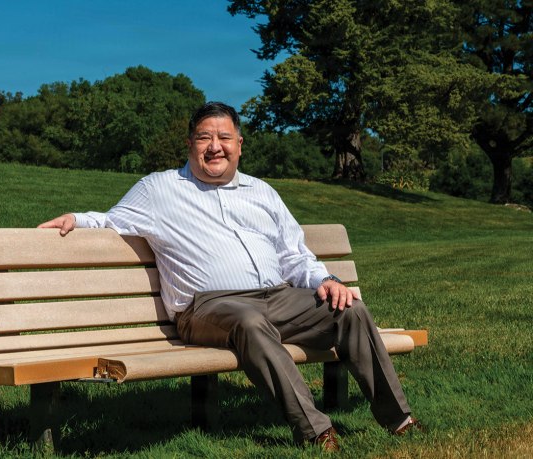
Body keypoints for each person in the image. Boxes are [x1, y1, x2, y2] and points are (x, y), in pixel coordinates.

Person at [38, 101, 421, 452]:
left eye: (224, 137)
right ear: (190, 144)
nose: (215, 146)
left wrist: (326, 280)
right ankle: (316, 431)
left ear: (240, 144)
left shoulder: (262, 192)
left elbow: (293, 254)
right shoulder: (160, 189)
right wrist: (77, 219)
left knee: (349, 309)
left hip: (277, 296)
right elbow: (112, 220)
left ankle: (399, 419)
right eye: (204, 137)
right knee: (251, 322)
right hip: (206, 308)